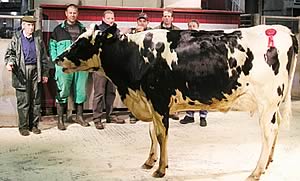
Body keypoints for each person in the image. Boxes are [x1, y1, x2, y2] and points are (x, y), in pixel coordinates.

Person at [4, 16, 51, 136]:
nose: (31, 27)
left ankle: (34, 125)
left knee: (36, 100)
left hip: (36, 71)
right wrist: (10, 63)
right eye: (29, 25)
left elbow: (44, 58)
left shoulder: (38, 39)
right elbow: (10, 54)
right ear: (23, 25)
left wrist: (45, 74)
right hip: (22, 73)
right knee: (23, 101)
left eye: (33, 25)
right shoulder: (17, 39)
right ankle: (23, 127)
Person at [49, 4, 90, 130]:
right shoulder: (58, 30)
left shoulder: (84, 30)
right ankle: (60, 119)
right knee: (63, 90)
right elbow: (52, 46)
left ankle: (79, 117)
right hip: (64, 66)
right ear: (66, 14)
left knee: (80, 90)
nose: (72, 15)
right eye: (70, 13)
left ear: (77, 14)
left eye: (75, 13)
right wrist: (56, 61)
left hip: (80, 66)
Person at [92, 10, 125, 130]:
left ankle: (109, 115)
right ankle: (97, 118)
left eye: (112, 18)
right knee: (99, 93)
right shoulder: (97, 30)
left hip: (113, 68)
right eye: (109, 18)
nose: (111, 20)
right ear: (103, 19)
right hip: (100, 67)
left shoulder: (116, 31)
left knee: (111, 93)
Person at [179, 19, 207, 127]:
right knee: (189, 92)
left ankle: (203, 116)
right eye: (189, 26)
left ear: (198, 27)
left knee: (203, 93)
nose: (191, 28)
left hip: (202, 69)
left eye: (193, 26)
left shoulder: (203, 39)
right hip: (189, 69)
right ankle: (189, 115)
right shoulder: (184, 40)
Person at [155, 8, 180, 120]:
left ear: (172, 18)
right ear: (162, 17)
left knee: (173, 88)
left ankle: (173, 111)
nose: (166, 18)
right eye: (165, 16)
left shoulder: (177, 31)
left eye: (169, 16)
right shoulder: (155, 30)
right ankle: (159, 110)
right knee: (159, 88)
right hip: (159, 63)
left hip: (172, 63)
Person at [127, 12, 152, 124]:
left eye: (144, 21)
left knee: (147, 90)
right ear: (137, 22)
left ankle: (148, 112)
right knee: (134, 91)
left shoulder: (152, 33)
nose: (142, 23)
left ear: (147, 22)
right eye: (140, 21)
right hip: (133, 66)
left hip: (146, 66)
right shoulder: (131, 32)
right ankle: (133, 113)